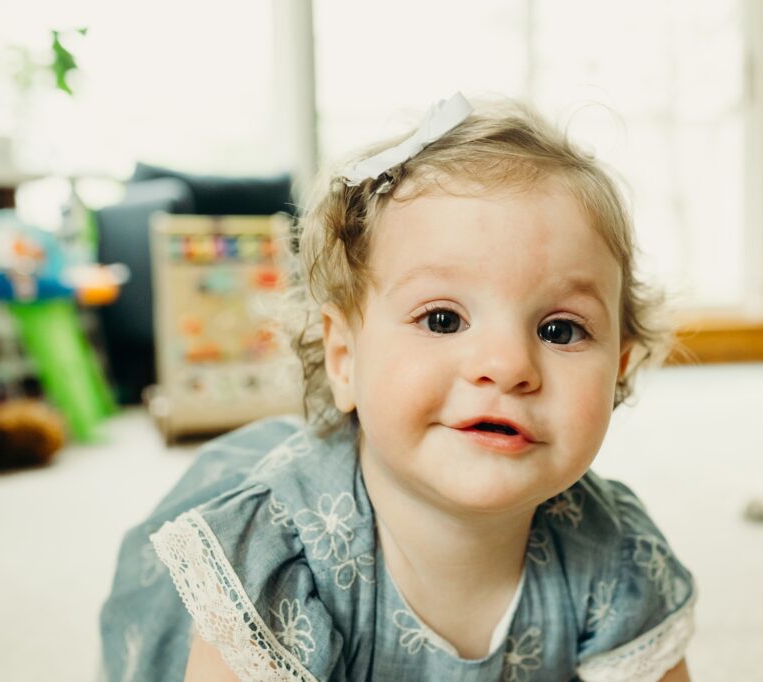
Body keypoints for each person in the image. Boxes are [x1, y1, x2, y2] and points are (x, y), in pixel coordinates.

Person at [100, 93, 696, 681]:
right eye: (443, 320)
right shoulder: (281, 559)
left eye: (560, 329)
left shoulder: (614, 555)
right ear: (343, 358)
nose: (509, 364)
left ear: (619, 369)